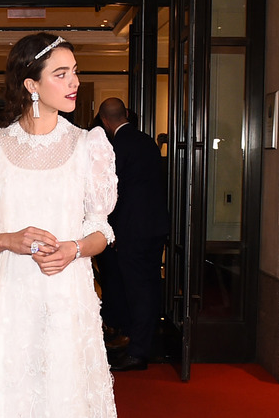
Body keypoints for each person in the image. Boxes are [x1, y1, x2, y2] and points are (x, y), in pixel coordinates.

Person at [0, 33, 118, 417]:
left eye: (75, 72)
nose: (74, 82)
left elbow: (101, 230)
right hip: (7, 303)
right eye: (61, 73)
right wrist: (8, 239)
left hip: (67, 301)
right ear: (31, 84)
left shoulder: (90, 145)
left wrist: (74, 248)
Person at [94, 97, 169, 372]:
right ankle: (142, 343)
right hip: (155, 226)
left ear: (104, 120)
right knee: (149, 286)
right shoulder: (147, 141)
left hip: (132, 230)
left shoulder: (114, 148)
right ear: (126, 113)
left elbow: (112, 194)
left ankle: (138, 351)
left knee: (138, 290)